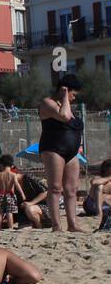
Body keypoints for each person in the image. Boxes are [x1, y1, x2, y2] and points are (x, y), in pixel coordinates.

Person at [38, 74, 85, 232]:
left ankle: (72, 224)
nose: (73, 98)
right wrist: (65, 96)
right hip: (53, 148)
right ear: (64, 90)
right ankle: (57, 225)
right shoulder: (47, 103)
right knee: (55, 188)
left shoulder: (66, 105)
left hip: (71, 152)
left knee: (71, 189)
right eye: (72, 94)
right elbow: (64, 116)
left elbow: (72, 123)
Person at [0, 157, 23, 230]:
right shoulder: (13, 175)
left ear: (1, 165)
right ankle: (11, 227)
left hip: (0, 194)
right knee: (9, 212)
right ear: (12, 165)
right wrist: (22, 194)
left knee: (0, 212)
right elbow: (17, 185)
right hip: (10, 195)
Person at [85, 159, 111, 226]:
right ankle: (99, 213)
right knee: (100, 186)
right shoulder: (98, 177)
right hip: (92, 205)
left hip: (106, 207)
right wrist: (109, 177)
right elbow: (94, 182)